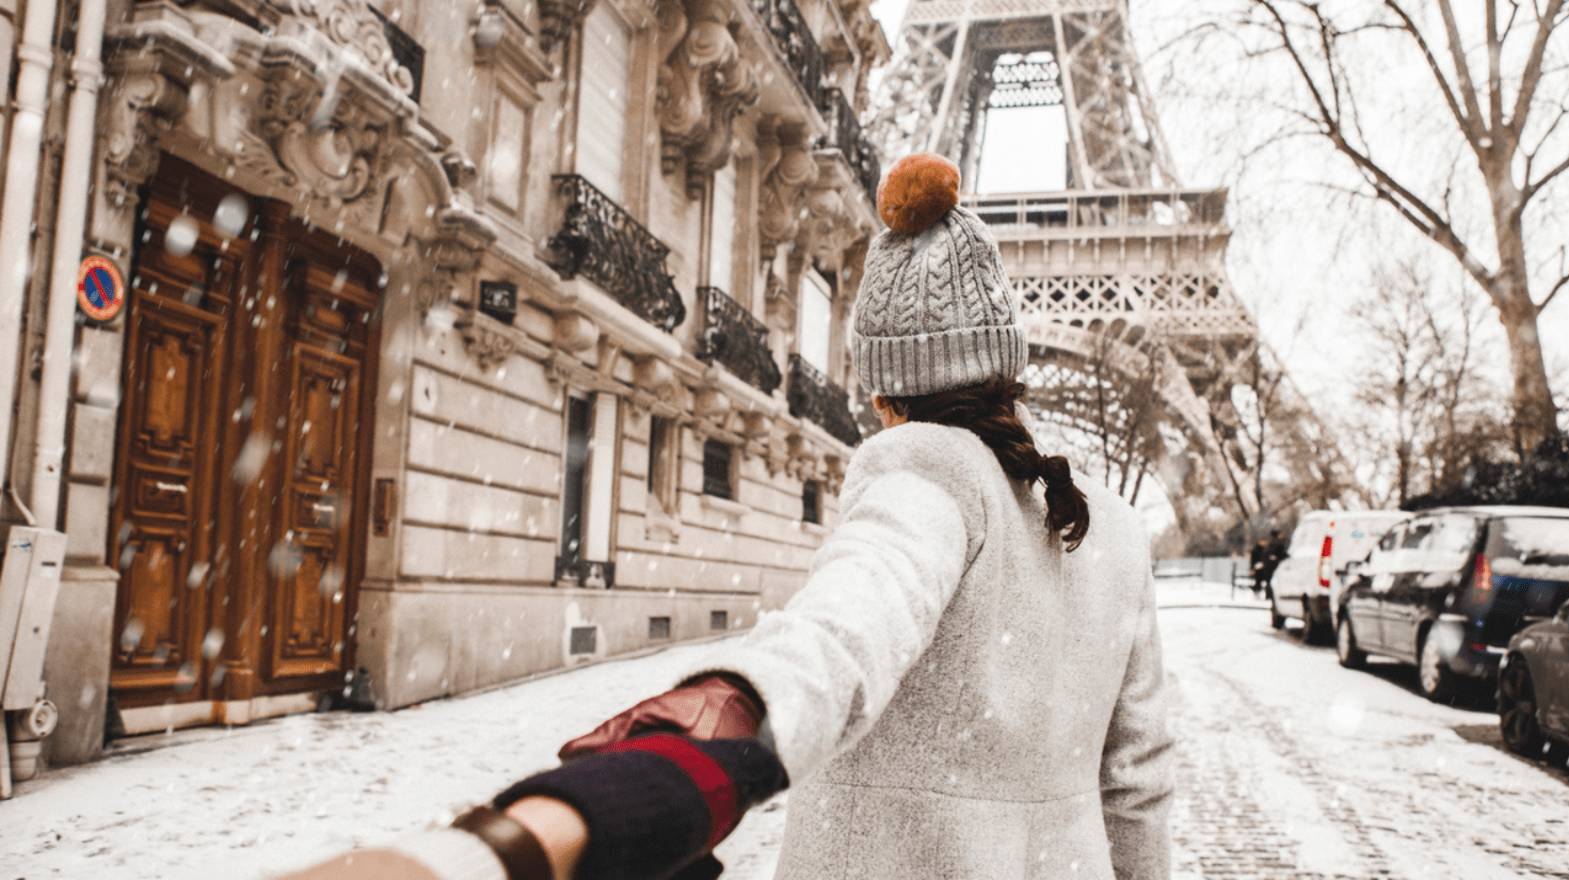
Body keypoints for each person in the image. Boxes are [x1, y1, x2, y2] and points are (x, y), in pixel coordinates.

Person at [281, 153, 1174, 880]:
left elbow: (843, 631)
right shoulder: (1115, 531)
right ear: (1005, 364)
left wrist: (706, 729)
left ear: (880, 389)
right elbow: (1135, 787)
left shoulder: (928, 473)